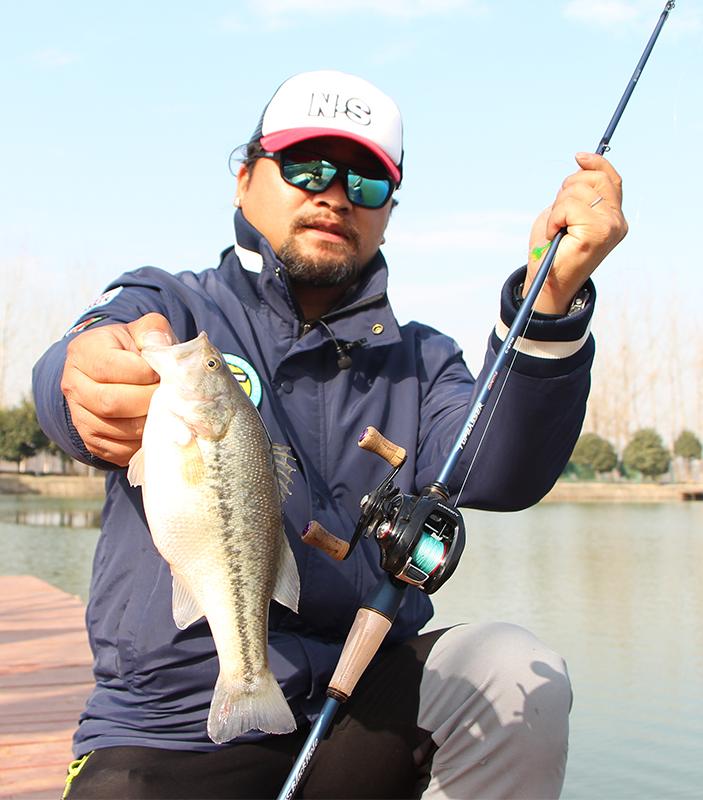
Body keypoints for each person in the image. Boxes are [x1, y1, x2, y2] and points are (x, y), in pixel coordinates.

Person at [34, 70, 626, 799]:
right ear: (245, 179)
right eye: (305, 166)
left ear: (388, 210)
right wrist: (82, 379)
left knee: (508, 670)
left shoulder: (423, 361)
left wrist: (553, 298)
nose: (335, 195)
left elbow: (502, 468)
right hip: (168, 728)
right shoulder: (174, 303)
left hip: (355, 712)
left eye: (366, 182)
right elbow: (80, 362)